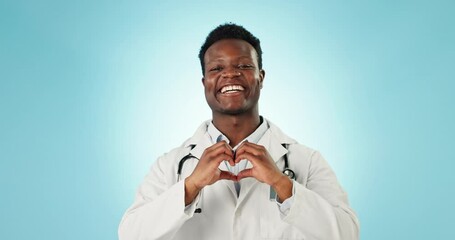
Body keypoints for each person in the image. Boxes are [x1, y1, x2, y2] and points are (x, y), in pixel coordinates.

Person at [119, 23, 360, 240]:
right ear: (205, 83)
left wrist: (282, 183)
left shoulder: (305, 161)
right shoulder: (170, 166)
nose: (230, 74)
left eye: (244, 65)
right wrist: (191, 186)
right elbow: (130, 234)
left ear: (260, 77)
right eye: (216, 68)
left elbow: (347, 234)